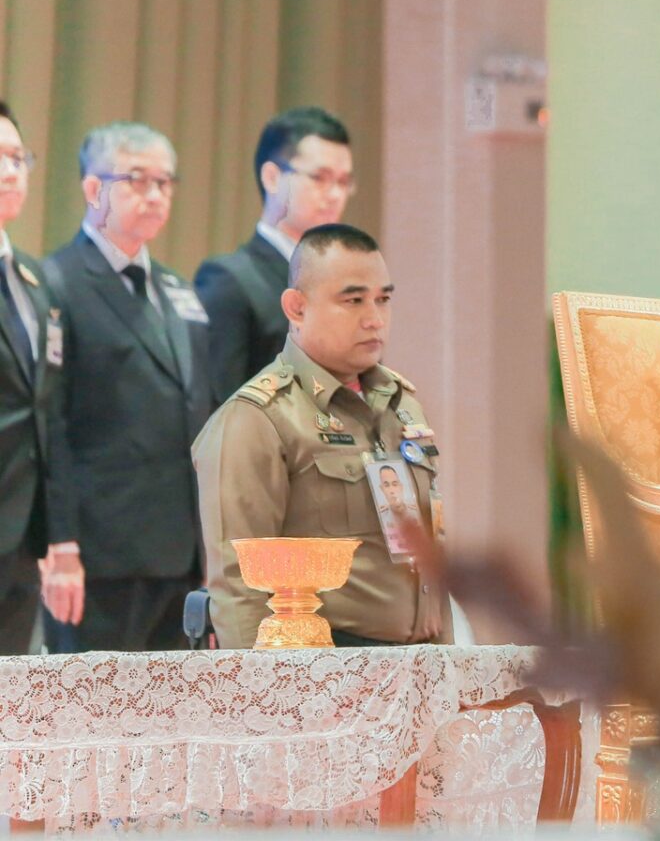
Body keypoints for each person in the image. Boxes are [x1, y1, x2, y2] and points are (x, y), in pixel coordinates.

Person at [193, 223, 448, 648]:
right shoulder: (258, 418)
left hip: (419, 660)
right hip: (326, 665)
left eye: (383, 299)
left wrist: (447, 665)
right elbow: (239, 590)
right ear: (296, 307)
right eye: (353, 300)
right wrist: (265, 689)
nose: (374, 319)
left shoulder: (401, 406)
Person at [42, 123, 214, 651]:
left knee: (175, 703)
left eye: (165, 182)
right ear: (94, 189)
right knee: (93, 700)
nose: (156, 195)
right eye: (138, 180)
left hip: (179, 552)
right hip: (100, 553)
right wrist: (60, 543)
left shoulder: (177, 290)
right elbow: (49, 426)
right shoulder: (56, 282)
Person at [195, 107, 354, 405]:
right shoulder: (230, 280)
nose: (334, 195)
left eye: (343, 182)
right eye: (320, 178)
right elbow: (220, 407)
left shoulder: (348, 285)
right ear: (272, 178)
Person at [0, 102, 80, 651]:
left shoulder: (33, 279)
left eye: (18, 157)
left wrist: (59, 536)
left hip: (22, 536)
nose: (12, 171)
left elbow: (46, 413)